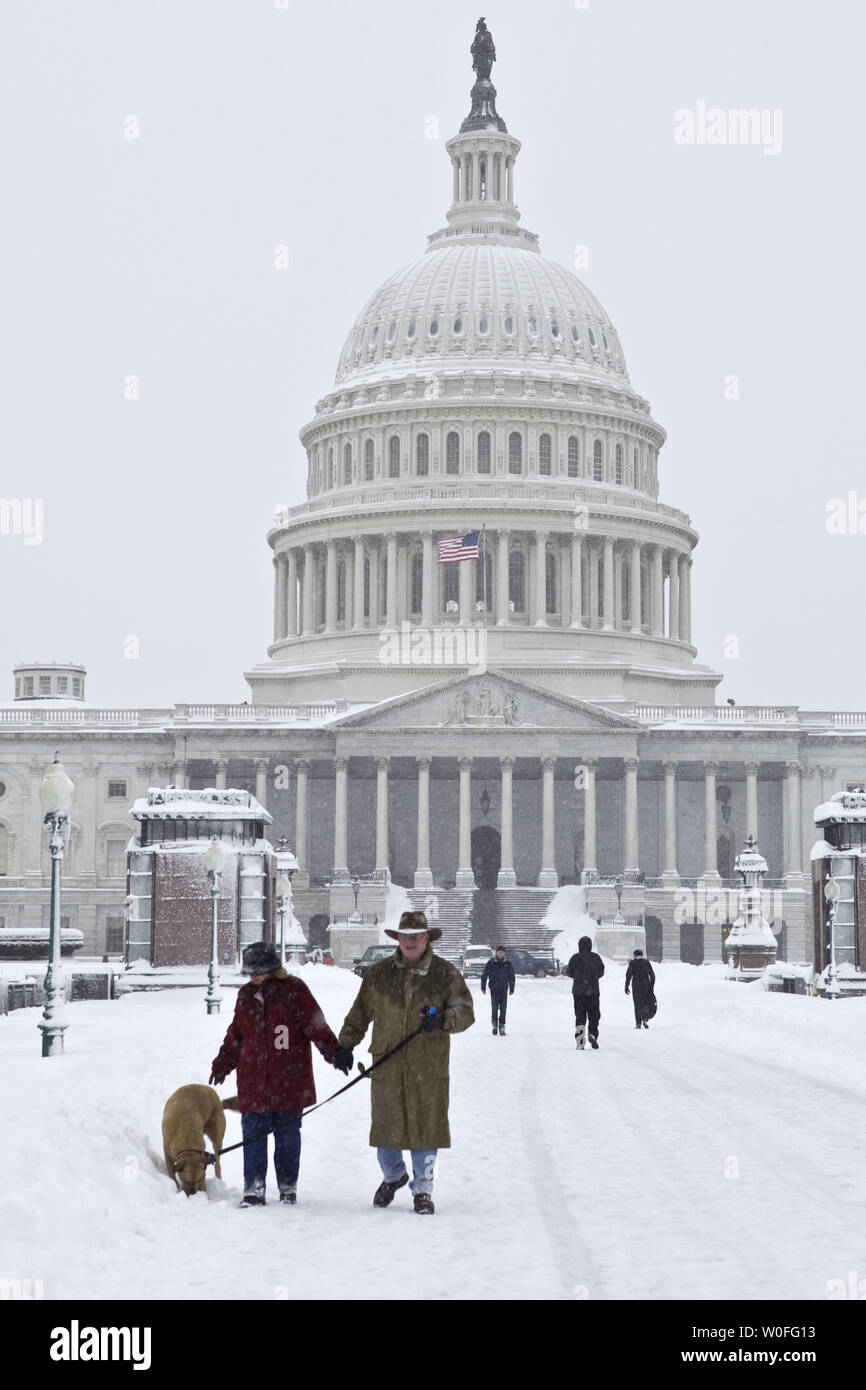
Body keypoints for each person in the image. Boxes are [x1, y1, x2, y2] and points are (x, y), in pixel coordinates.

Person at [336, 910, 474, 1215]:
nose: (411, 942)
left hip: (428, 1066)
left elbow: (466, 1011)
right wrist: (345, 1044)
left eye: (417, 936)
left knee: (427, 1129)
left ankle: (423, 1189)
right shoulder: (379, 975)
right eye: (405, 936)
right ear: (397, 939)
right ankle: (394, 1175)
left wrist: (444, 1021)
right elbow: (359, 1013)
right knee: (386, 1131)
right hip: (387, 1064)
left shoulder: (445, 974)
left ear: (427, 939)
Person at [209, 941, 349, 1208]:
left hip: (289, 1080)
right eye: (251, 973)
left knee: (287, 1135)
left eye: (259, 971)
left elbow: (316, 1025)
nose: (254, 977)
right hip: (253, 1080)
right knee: (253, 1134)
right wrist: (223, 1062)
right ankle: (254, 1188)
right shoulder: (246, 995)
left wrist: (334, 1052)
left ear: (274, 969)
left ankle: (287, 1186)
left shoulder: (294, 991)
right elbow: (236, 1034)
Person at [565, 935, 605, 1050]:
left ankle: (580, 1041)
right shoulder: (596, 958)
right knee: (594, 1015)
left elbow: (569, 972)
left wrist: (578, 977)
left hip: (578, 992)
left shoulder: (575, 958)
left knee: (580, 1016)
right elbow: (601, 972)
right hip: (593, 992)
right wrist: (594, 977)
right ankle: (592, 1033)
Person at [480, 946, 515, 1035]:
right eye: (499, 952)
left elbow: (511, 977)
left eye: (502, 953)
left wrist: (512, 988)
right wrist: (483, 987)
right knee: (494, 1008)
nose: (500, 954)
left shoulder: (508, 964)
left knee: (503, 1008)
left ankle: (502, 1026)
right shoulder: (491, 963)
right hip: (494, 989)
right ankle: (494, 1024)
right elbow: (484, 975)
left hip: (503, 989)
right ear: (496, 953)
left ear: (504, 953)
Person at [625, 948, 656, 1029]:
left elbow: (628, 975)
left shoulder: (633, 963)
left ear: (635, 955)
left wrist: (626, 985)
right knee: (645, 1003)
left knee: (637, 1005)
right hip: (646, 986)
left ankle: (638, 1023)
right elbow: (652, 975)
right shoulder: (646, 962)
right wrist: (651, 986)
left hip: (636, 987)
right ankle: (645, 1019)